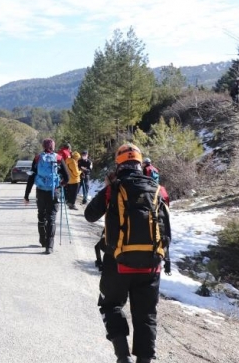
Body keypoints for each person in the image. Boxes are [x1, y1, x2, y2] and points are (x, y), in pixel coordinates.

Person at [84, 144, 172, 363]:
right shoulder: (158, 189)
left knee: (110, 305)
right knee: (146, 315)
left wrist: (108, 189)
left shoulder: (113, 188)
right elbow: (165, 226)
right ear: (140, 164)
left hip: (118, 262)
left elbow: (89, 215)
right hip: (151, 264)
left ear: (118, 164)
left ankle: (123, 356)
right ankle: (145, 360)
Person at [24, 138, 70, 254]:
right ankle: (49, 246)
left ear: (43, 146)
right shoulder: (58, 158)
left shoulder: (37, 158)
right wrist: (60, 185)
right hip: (53, 191)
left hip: (40, 191)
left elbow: (31, 177)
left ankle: (42, 240)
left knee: (41, 216)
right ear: (53, 146)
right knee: (51, 218)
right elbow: (67, 177)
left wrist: (26, 195)